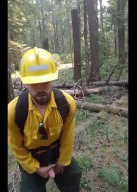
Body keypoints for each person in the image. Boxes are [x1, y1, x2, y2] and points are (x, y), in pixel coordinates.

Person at [8, 47, 82, 192]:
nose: (41, 88)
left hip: (56, 152)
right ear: (25, 82)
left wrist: (62, 161)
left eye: (46, 81)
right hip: (32, 156)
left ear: (53, 79)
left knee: (73, 174)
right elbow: (16, 147)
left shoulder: (67, 104)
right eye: (34, 83)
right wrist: (35, 168)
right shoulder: (13, 111)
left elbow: (67, 137)